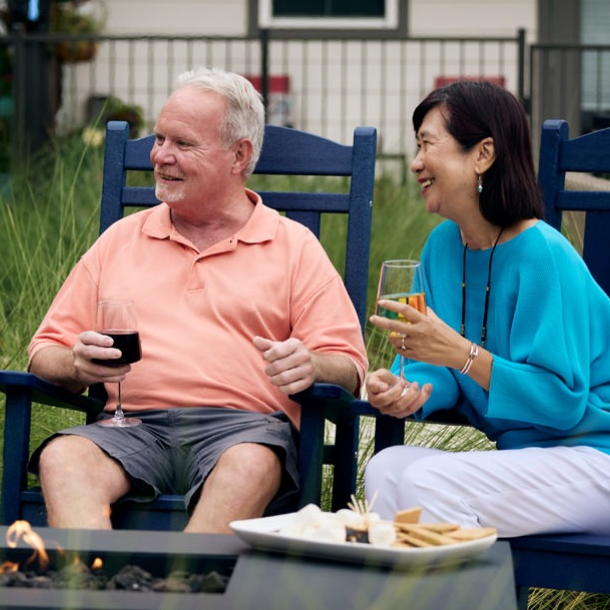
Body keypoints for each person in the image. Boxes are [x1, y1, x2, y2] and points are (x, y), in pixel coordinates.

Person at [27, 67, 368, 534]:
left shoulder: (294, 246)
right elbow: (44, 351)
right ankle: (91, 597)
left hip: (245, 432)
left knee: (250, 463)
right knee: (63, 456)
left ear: (238, 156)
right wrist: (76, 364)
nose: (160, 156)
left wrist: (313, 365)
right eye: (159, 138)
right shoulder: (121, 240)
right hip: (130, 431)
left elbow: (348, 365)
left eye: (183, 144)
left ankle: (180, 599)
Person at [364, 80, 610, 538]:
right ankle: (418, 608)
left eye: (428, 144)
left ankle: (470, 608)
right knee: (385, 469)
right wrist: (408, 389)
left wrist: (461, 352)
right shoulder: (440, 249)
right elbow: (437, 369)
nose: (415, 162)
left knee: (427, 481)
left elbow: (562, 403)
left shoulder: (542, 253)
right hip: (529, 459)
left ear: (483, 154)